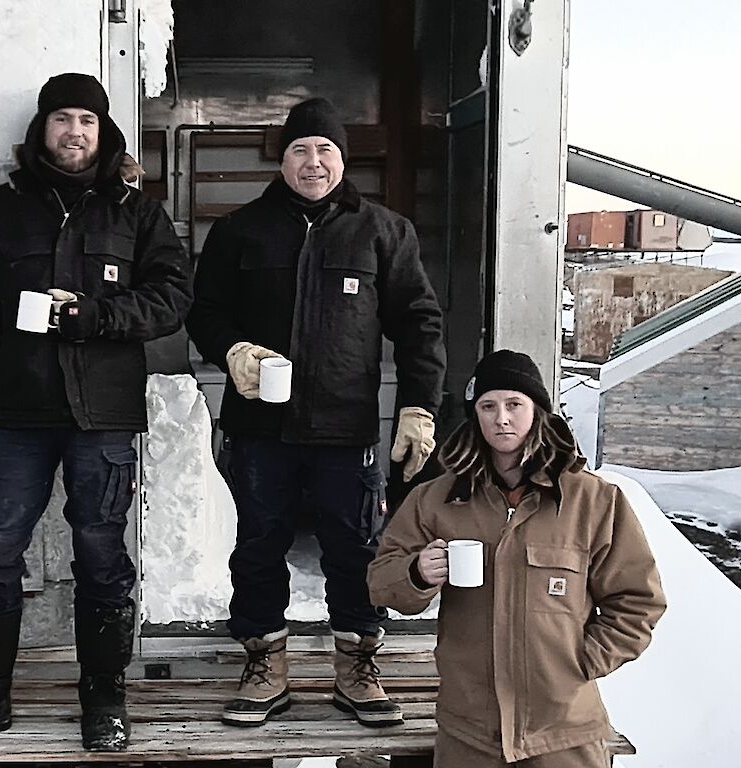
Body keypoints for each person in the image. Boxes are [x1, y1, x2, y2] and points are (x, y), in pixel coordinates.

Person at [0, 72, 192, 753]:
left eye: (87, 120)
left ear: (104, 133)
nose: (74, 131)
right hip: (17, 412)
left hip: (101, 414)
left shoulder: (137, 214)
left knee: (102, 555)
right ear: (41, 129)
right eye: (62, 119)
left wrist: (94, 317)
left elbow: (171, 297)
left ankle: (103, 693)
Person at [185, 97, 446, 727]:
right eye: (300, 149)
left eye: (325, 149)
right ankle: (263, 662)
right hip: (259, 427)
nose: (312, 162)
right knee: (258, 544)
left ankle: (357, 662)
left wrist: (418, 407)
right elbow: (204, 311)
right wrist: (232, 349)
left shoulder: (384, 231)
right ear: (282, 160)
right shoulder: (240, 230)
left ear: (342, 158)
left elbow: (419, 324)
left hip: (344, 424)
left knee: (354, 546)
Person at [368, 349, 666, 767]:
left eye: (514, 405)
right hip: (468, 730)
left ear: (538, 411)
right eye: (488, 406)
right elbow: (382, 582)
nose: (501, 418)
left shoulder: (593, 501)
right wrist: (416, 572)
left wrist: (582, 661)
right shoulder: (437, 498)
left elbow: (638, 600)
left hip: (563, 731)